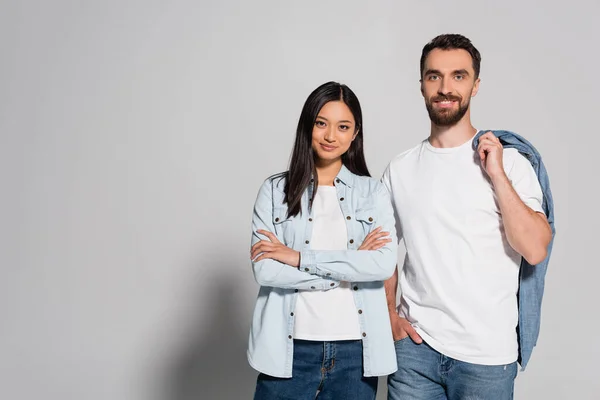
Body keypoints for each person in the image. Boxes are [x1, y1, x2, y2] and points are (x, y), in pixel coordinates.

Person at [383, 34, 555, 400]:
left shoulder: (509, 162)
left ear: (476, 85)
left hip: (487, 359)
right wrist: (390, 319)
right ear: (421, 86)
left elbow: (535, 248)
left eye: (458, 76)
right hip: (415, 353)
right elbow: (380, 250)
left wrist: (496, 175)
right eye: (434, 76)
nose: (446, 87)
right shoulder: (400, 169)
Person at [248, 81, 398, 400]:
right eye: (321, 123)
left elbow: (383, 263)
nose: (331, 136)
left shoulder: (373, 193)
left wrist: (299, 258)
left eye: (343, 127)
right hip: (288, 352)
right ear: (308, 126)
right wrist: (348, 268)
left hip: (354, 355)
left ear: (355, 133)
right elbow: (266, 271)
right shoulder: (274, 192)